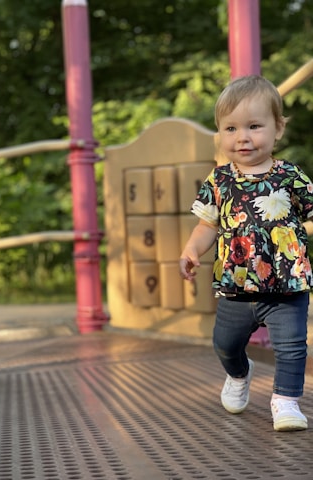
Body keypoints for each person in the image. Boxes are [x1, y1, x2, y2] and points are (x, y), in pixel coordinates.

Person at [179, 75, 313, 431]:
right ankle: (239, 374)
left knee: (292, 347)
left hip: (287, 285)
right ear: (220, 134)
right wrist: (192, 250)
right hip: (236, 287)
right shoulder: (219, 181)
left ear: (278, 128)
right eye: (231, 128)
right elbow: (207, 225)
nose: (243, 137)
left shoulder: (290, 176)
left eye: (254, 126)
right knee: (225, 344)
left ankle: (285, 401)